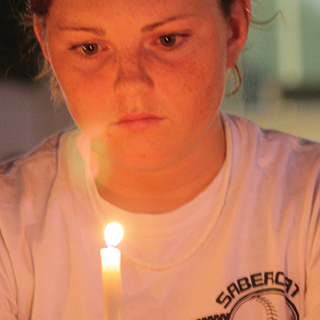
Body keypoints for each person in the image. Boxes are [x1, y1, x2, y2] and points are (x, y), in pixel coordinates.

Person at [0, 0, 319, 319]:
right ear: (46, 45)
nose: (130, 83)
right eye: (90, 47)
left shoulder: (307, 202)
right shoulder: (11, 228)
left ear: (234, 29)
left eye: (168, 40)